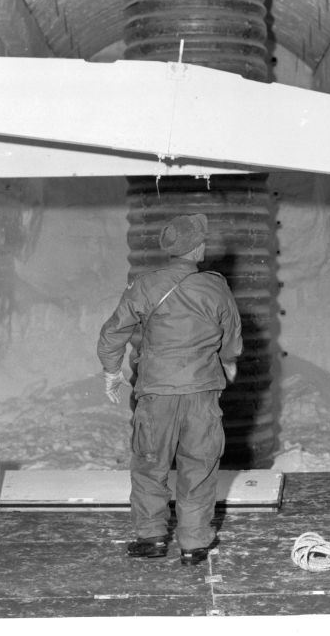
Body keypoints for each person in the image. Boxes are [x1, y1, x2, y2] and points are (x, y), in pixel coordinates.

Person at [98, 213, 242, 566]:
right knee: (199, 466)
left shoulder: (146, 286)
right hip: (201, 395)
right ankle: (194, 543)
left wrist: (112, 371)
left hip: (156, 394)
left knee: (150, 465)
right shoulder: (216, 287)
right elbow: (232, 341)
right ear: (198, 248)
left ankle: (151, 537)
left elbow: (112, 333)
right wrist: (226, 363)